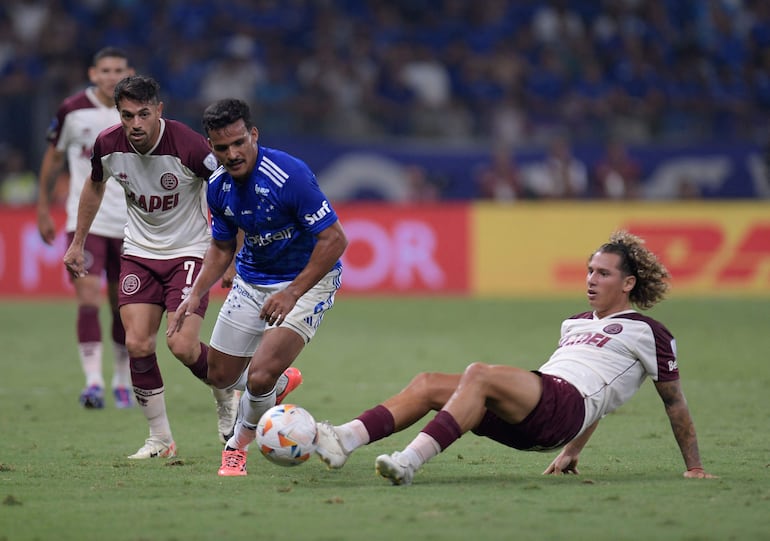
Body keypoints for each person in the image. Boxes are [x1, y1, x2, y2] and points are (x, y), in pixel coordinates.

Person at [313, 230, 717, 485]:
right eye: (590, 270)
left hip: (562, 406)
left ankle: (408, 462)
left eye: (603, 273)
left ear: (628, 283)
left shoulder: (649, 332)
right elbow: (601, 396)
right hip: (541, 414)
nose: (592, 279)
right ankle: (346, 439)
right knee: (428, 383)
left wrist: (694, 466)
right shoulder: (574, 323)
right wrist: (572, 452)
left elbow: (673, 402)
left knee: (480, 374)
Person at [168, 98, 348, 477]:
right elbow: (221, 245)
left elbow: (334, 239)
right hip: (252, 280)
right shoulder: (217, 186)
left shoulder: (289, 175)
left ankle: (237, 446)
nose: (232, 154)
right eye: (221, 147)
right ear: (211, 146)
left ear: (253, 135)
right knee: (219, 375)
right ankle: (280, 385)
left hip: (306, 282)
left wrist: (292, 293)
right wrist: (196, 293)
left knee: (258, 376)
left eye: (238, 143)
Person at [62, 75, 238, 458]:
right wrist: (78, 242)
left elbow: (228, 189)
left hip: (190, 253)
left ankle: (227, 393)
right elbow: (94, 185)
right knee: (138, 343)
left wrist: (231, 255)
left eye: (144, 114)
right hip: (139, 253)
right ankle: (160, 439)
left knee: (182, 344)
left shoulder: (189, 146)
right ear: (119, 114)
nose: (136, 124)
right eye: (128, 115)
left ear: (159, 110)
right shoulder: (107, 146)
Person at [37, 47, 134, 409]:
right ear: (93, 74)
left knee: (122, 306)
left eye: (118, 69)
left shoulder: (137, 113)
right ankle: (93, 382)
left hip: (130, 226)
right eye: (105, 70)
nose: (111, 76)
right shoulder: (72, 111)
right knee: (89, 298)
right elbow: (54, 156)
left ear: (129, 72)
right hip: (86, 223)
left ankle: (121, 382)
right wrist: (44, 207)